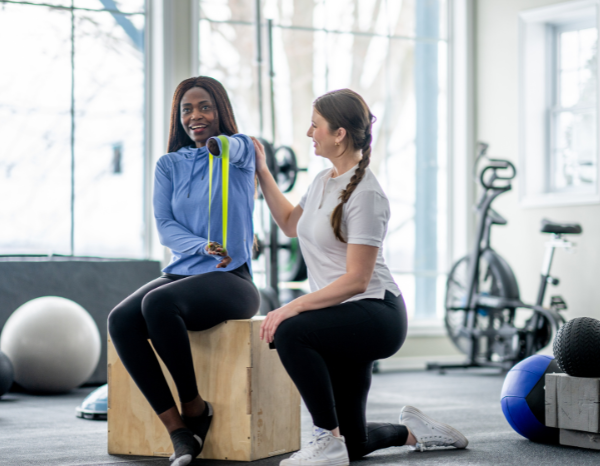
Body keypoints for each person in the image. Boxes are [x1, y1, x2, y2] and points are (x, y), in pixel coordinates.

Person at [253, 89, 468, 466]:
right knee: (354, 443)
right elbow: (289, 224)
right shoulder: (323, 181)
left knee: (291, 331)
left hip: (374, 315)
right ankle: (415, 431)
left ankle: (325, 439)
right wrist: (263, 171)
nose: (308, 133)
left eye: (315, 125)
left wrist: (291, 308)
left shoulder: (367, 194)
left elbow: (357, 279)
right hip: (343, 316)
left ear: (339, 133)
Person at [108, 76, 260, 466]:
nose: (196, 116)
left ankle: (195, 408)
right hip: (181, 273)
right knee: (121, 320)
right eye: (187, 110)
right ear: (178, 117)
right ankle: (179, 431)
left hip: (232, 279)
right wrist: (201, 245)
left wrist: (219, 144)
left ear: (220, 110)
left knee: (158, 304)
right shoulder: (169, 165)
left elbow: (240, 145)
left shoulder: (239, 153)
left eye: (205, 107)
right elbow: (165, 224)